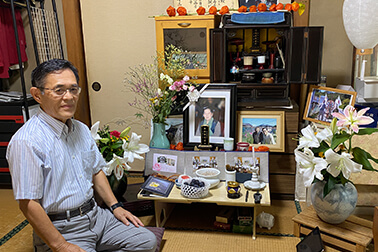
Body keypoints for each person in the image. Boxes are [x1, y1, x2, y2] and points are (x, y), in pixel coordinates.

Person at [6, 59, 157, 252]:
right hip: (62, 227)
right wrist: (61, 245)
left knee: (147, 241)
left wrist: (115, 206)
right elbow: (28, 204)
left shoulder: (81, 129)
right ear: (37, 95)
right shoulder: (26, 141)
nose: (68, 97)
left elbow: (96, 171)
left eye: (73, 89)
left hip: (96, 216)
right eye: (59, 90)